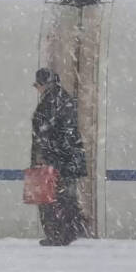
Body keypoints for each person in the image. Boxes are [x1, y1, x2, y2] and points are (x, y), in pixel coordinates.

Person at [31, 67, 87, 246]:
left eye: (37, 85)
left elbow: (48, 134)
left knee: (50, 200)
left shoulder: (51, 102)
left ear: (44, 84)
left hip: (54, 161)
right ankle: (68, 231)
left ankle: (58, 234)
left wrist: (47, 158)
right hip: (65, 160)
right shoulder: (63, 98)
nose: (37, 89)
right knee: (65, 198)